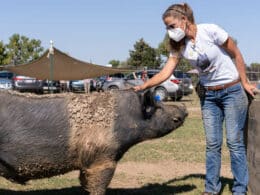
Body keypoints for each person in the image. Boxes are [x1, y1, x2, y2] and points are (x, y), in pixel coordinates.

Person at [134, 3, 256, 195]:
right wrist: (144, 85)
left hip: (231, 92)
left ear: (184, 20)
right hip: (209, 96)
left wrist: (245, 82)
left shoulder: (211, 31)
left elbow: (236, 53)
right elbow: (166, 71)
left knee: (234, 142)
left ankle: (239, 189)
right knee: (213, 144)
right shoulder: (179, 46)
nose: (169, 31)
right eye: (166, 28)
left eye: (171, 26)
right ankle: (211, 189)